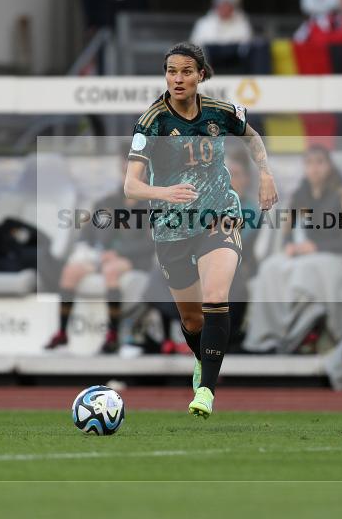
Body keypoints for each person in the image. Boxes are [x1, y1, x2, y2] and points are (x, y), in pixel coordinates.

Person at [124, 42, 278, 418]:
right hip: (173, 227)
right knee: (192, 320)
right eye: (172, 71)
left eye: (186, 71)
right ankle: (202, 361)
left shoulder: (219, 112)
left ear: (201, 75)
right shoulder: (152, 121)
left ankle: (206, 391)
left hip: (219, 215)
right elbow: (131, 187)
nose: (178, 78)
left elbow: (253, 137)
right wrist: (164, 192)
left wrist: (265, 173)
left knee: (215, 295)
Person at [242, 146, 342, 354]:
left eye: (320, 162)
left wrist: (317, 247)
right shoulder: (300, 195)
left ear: (329, 166)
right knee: (271, 268)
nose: (314, 169)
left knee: (306, 271)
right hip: (308, 256)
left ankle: (300, 333)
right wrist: (291, 245)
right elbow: (288, 231)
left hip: (340, 259)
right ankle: (268, 337)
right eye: (309, 163)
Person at [46, 164, 154, 354]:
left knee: (111, 270)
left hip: (133, 259)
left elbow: (150, 243)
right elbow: (87, 232)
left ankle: (112, 335)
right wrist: (87, 249)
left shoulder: (152, 205)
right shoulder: (107, 202)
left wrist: (119, 253)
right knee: (70, 272)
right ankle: (62, 333)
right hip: (101, 256)